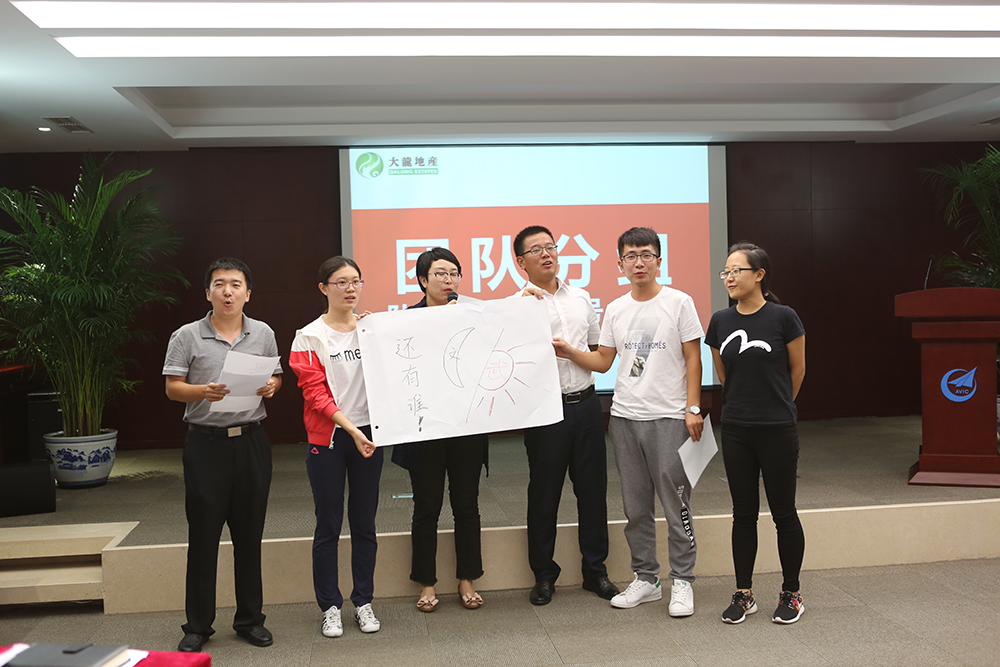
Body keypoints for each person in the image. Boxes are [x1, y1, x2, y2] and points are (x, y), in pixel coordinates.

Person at [552, 226, 703, 618]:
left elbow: (693, 356)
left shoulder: (679, 302)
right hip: (624, 418)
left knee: (676, 504)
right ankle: (647, 578)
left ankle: (682, 580)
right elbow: (603, 360)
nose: (639, 262)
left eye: (646, 254)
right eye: (631, 256)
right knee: (636, 507)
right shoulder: (616, 308)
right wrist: (569, 352)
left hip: (670, 417)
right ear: (619, 263)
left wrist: (693, 407)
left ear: (658, 260)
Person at [163, 257, 282, 652]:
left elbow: (276, 376)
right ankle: (198, 626)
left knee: (249, 535)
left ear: (248, 293)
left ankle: (250, 620)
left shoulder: (262, 332)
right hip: (205, 445)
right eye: (219, 284)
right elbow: (173, 387)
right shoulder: (186, 335)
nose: (227, 291)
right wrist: (203, 391)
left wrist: (272, 386)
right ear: (208, 293)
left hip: (250, 442)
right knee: (204, 536)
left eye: (235, 284)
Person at [511, 225, 618, 606]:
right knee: (544, 494)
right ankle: (543, 575)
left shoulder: (582, 299)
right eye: (536, 249)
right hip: (545, 412)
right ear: (521, 262)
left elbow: (598, 354)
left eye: (551, 246)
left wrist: (573, 353)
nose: (547, 254)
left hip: (586, 405)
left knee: (593, 491)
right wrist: (520, 312)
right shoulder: (515, 306)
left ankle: (596, 571)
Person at [704, 241, 807, 625]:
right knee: (743, 514)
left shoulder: (784, 317)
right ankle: (744, 593)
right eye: (726, 272)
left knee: (784, 512)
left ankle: (791, 593)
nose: (729, 278)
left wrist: (776, 406)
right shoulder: (720, 321)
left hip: (777, 429)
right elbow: (724, 374)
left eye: (737, 271)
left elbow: (797, 371)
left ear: (759, 275)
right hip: (736, 429)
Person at [289, 256, 383, 638]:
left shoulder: (372, 330)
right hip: (328, 439)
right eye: (341, 282)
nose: (350, 288)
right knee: (328, 524)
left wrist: (365, 431)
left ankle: (363, 601)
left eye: (355, 281)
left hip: (368, 435)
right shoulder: (308, 336)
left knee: (365, 523)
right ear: (323, 288)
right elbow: (315, 395)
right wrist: (351, 429)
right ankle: (330, 606)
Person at [391, 247, 488, 612]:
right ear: (422, 280)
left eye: (454, 274)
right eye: (440, 274)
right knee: (426, 506)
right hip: (424, 430)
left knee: (467, 504)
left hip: (466, 427)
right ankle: (427, 582)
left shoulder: (473, 316)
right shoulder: (405, 321)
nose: (448, 280)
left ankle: (467, 578)